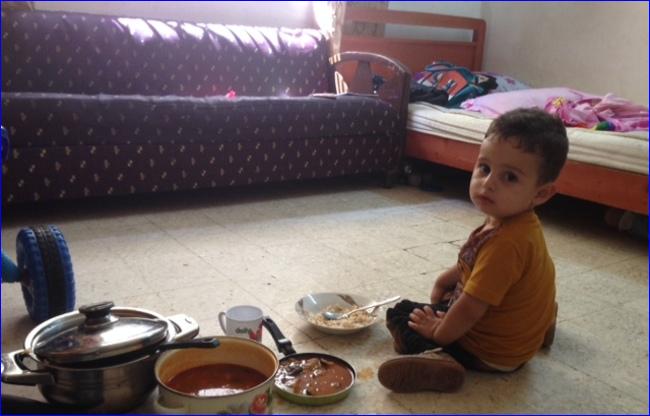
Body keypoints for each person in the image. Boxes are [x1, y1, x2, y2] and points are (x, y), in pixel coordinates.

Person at [378, 108, 568, 393]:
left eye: (510, 178)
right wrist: (447, 278)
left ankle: (442, 363)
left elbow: (470, 308)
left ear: (541, 193)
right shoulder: (514, 221)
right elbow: (479, 263)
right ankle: (539, 323)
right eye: (485, 168)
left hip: (489, 352)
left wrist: (438, 333)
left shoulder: (507, 243)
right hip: (513, 333)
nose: (489, 183)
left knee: (402, 314)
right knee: (447, 301)